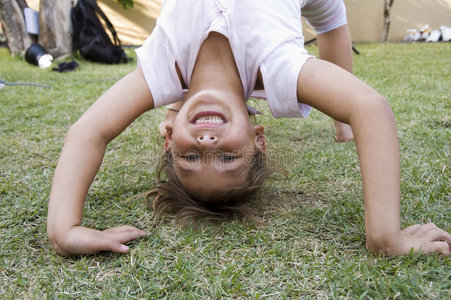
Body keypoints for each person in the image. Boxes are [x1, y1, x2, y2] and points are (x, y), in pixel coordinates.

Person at [47, 0, 450, 257]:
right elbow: (371, 108)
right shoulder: (279, 66)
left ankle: (339, 124)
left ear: (169, 138)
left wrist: (64, 229)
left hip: (179, 90)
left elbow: (88, 132)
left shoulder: (160, 68)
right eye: (226, 156)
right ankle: (340, 125)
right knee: (332, 22)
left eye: (190, 156)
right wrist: (385, 238)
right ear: (259, 140)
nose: (207, 142)